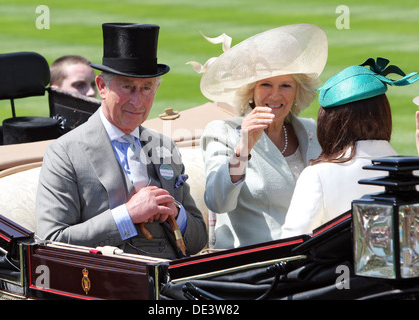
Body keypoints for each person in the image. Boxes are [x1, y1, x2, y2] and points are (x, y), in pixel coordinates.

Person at [36, 23, 207, 259]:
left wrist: (176, 213)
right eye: (127, 87)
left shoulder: (164, 147)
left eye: (146, 88)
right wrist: (127, 215)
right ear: (102, 87)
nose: (138, 101)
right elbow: (49, 243)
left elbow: (198, 241)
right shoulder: (65, 152)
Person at [195, 24, 328, 248]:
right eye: (265, 84)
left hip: (312, 256)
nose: (275, 95)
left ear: (297, 92)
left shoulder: (311, 130)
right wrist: (243, 149)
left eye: (285, 85)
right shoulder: (223, 131)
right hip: (256, 264)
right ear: (251, 91)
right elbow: (217, 201)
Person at [281, 57, 419, 237]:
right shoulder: (414, 172)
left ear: (329, 123)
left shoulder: (317, 175)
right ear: (385, 116)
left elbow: (291, 245)